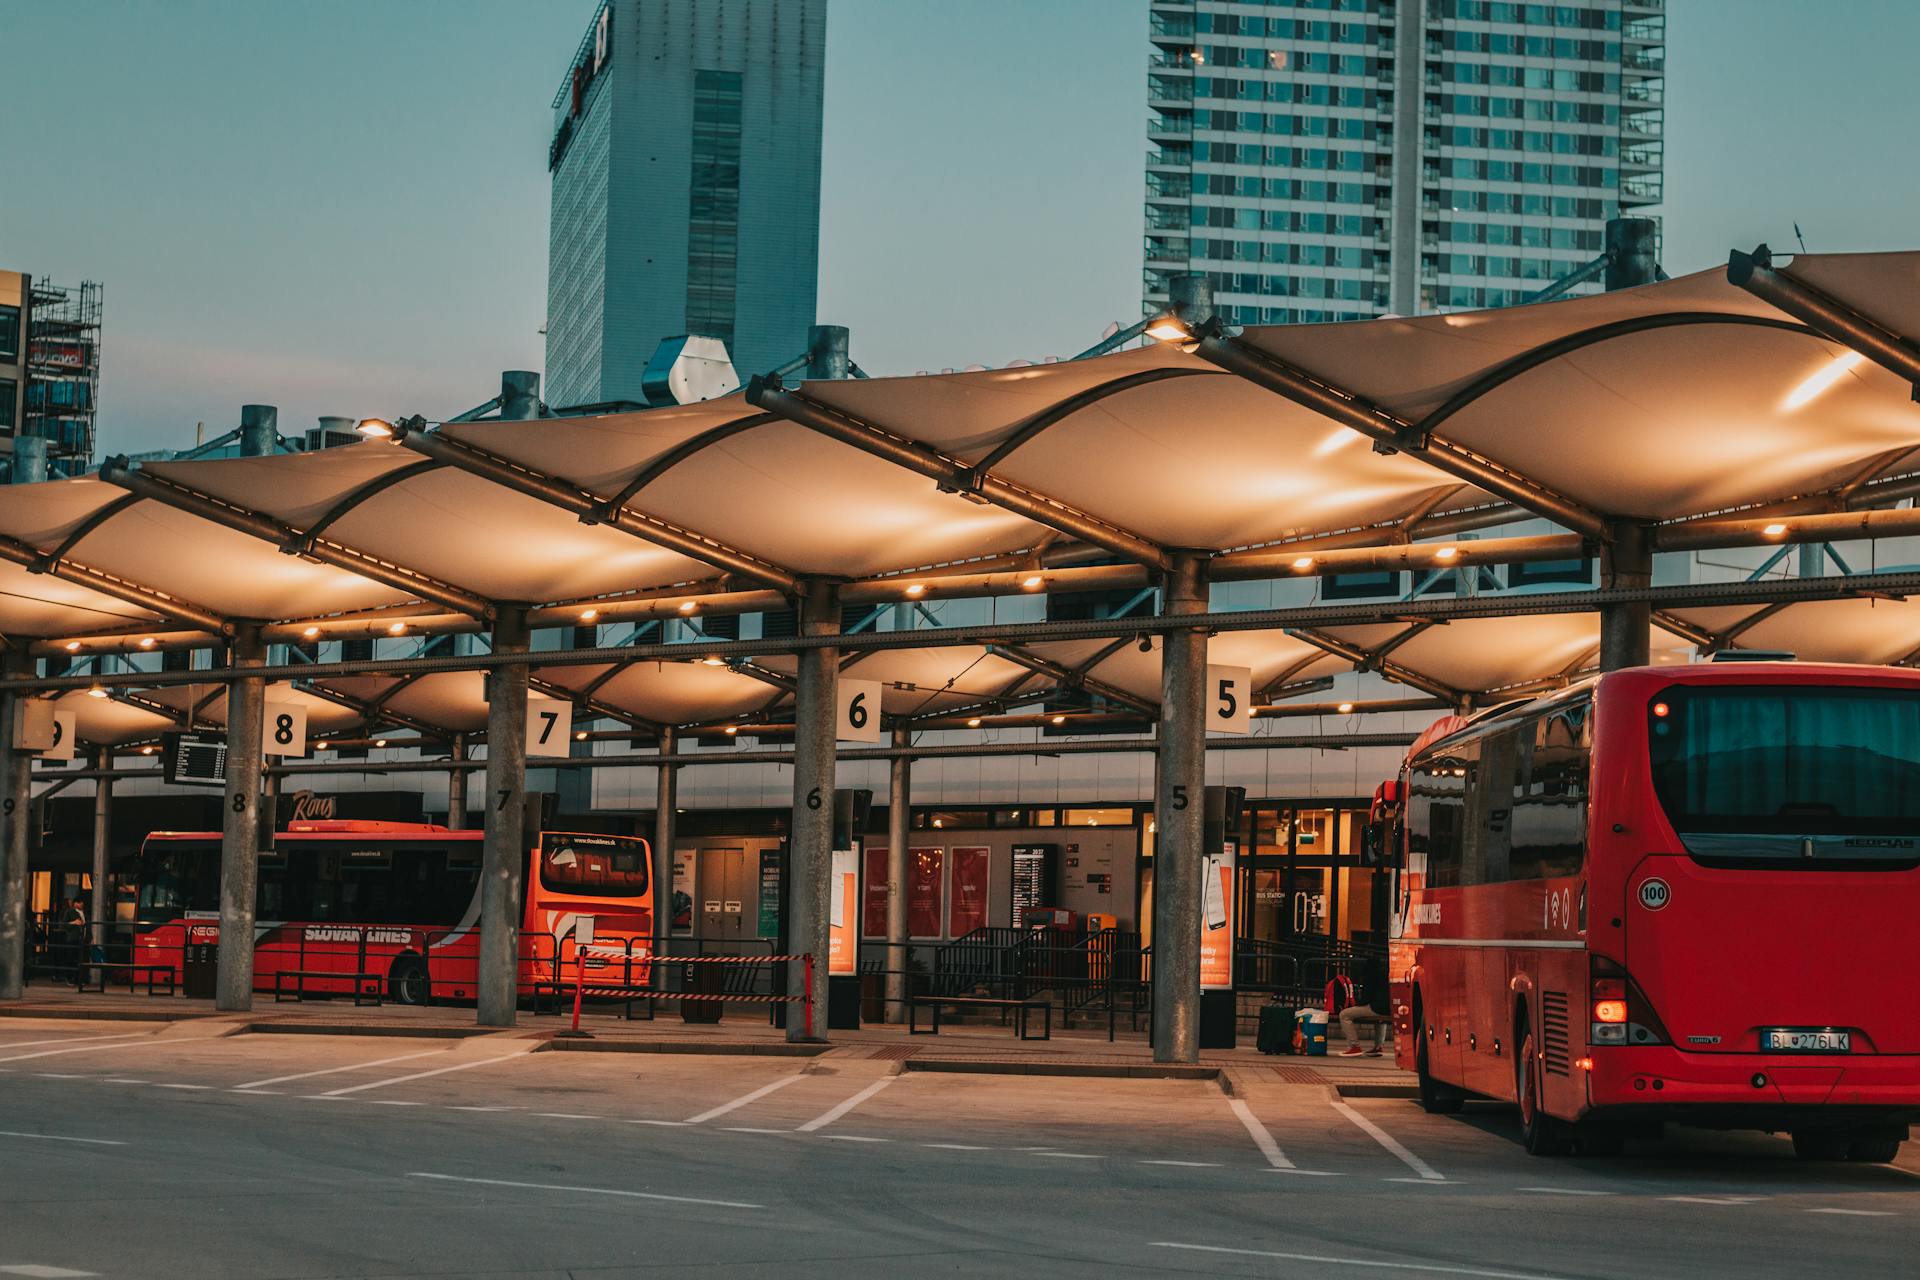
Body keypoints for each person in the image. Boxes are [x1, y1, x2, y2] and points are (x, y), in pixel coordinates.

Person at [1338, 951, 1391, 1057]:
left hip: (1376, 1007)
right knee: (1381, 1018)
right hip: (1389, 1008)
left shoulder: (1370, 975)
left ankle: (1354, 1046)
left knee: (1344, 1015)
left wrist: (1356, 1005)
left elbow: (1366, 999)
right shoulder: (1387, 973)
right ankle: (1378, 1046)